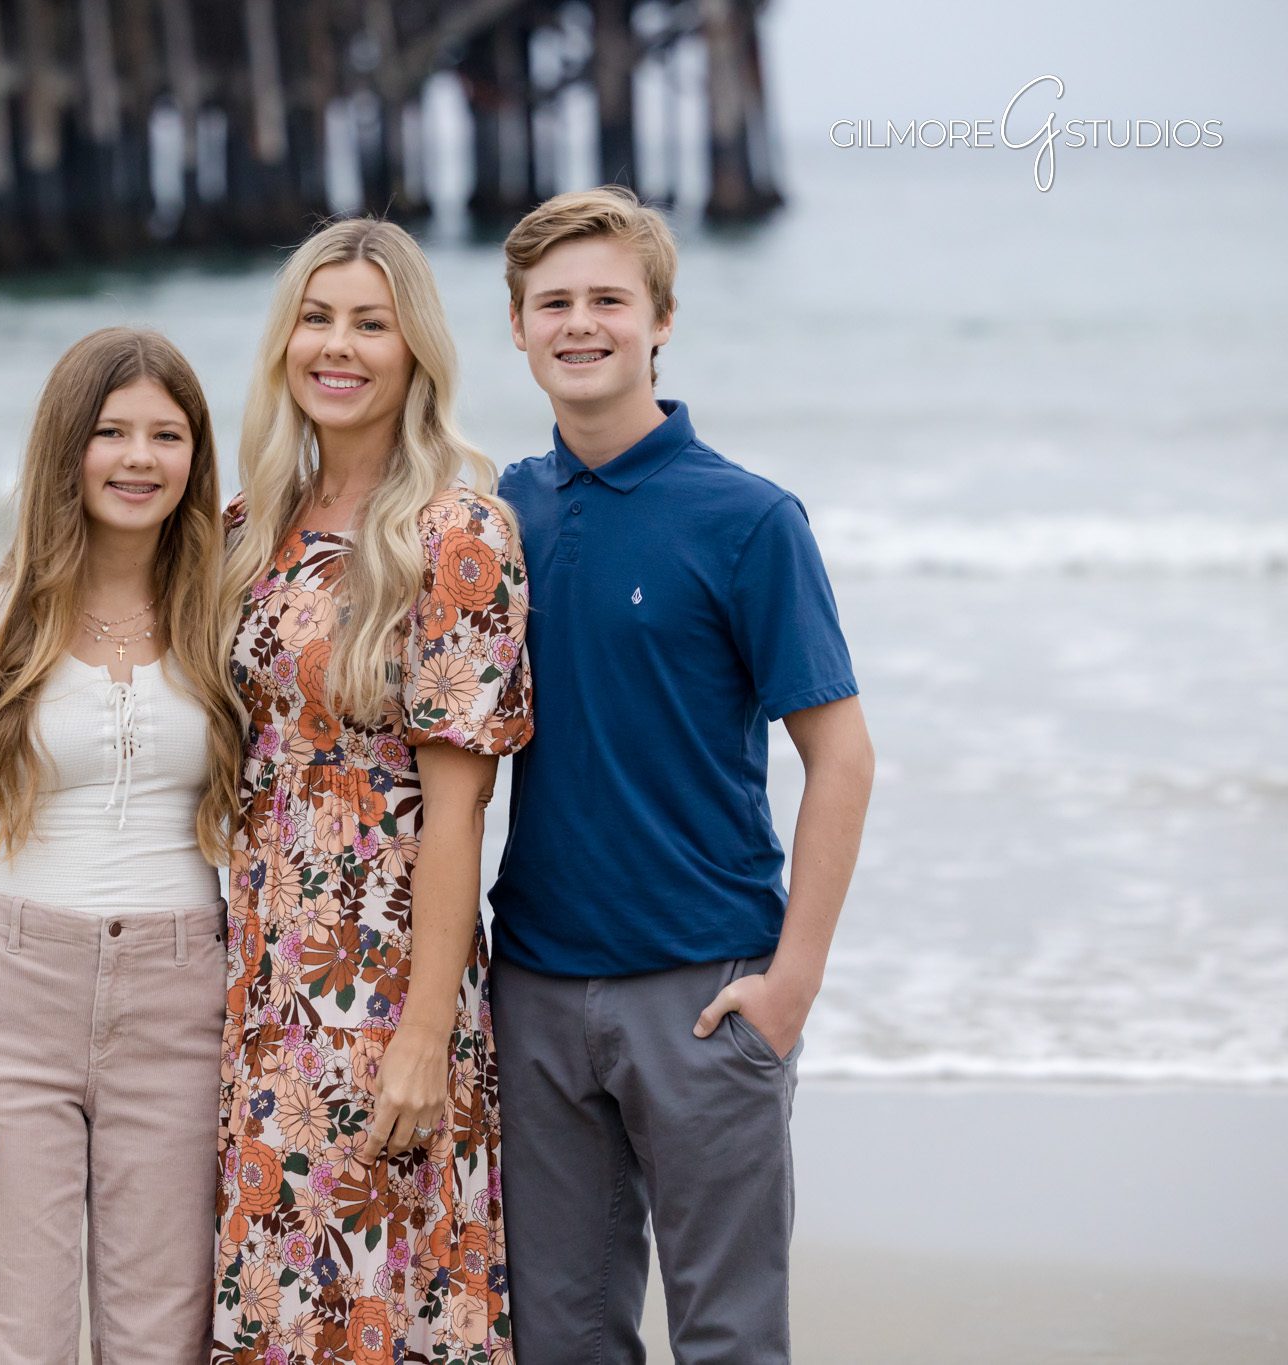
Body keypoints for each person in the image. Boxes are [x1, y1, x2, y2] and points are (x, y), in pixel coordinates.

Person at [489, 185, 877, 1364]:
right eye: (552, 303)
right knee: (558, 1339)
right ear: (515, 328)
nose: (579, 324)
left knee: (730, 1339)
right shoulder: (493, 515)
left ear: (660, 319)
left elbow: (841, 758)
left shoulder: (747, 520)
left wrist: (790, 984)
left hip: (705, 991)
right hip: (537, 991)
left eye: (608, 299)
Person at [214, 218, 533, 1364]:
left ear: (415, 352)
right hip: (255, 992)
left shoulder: (452, 534)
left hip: (380, 993)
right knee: (273, 1309)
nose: (335, 347)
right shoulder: (247, 532)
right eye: (315, 317)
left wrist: (422, 1036)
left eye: (369, 322)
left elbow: (458, 812)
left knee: (381, 1306)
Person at [0, 327, 244, 1362]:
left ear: (195, 458)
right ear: (64, 450)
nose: (138, 459)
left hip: (184, 998)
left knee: (163, 1334)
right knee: (5, 1335)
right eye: (110, 433)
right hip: (10, 995)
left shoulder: (223, 621)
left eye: (165, 436)